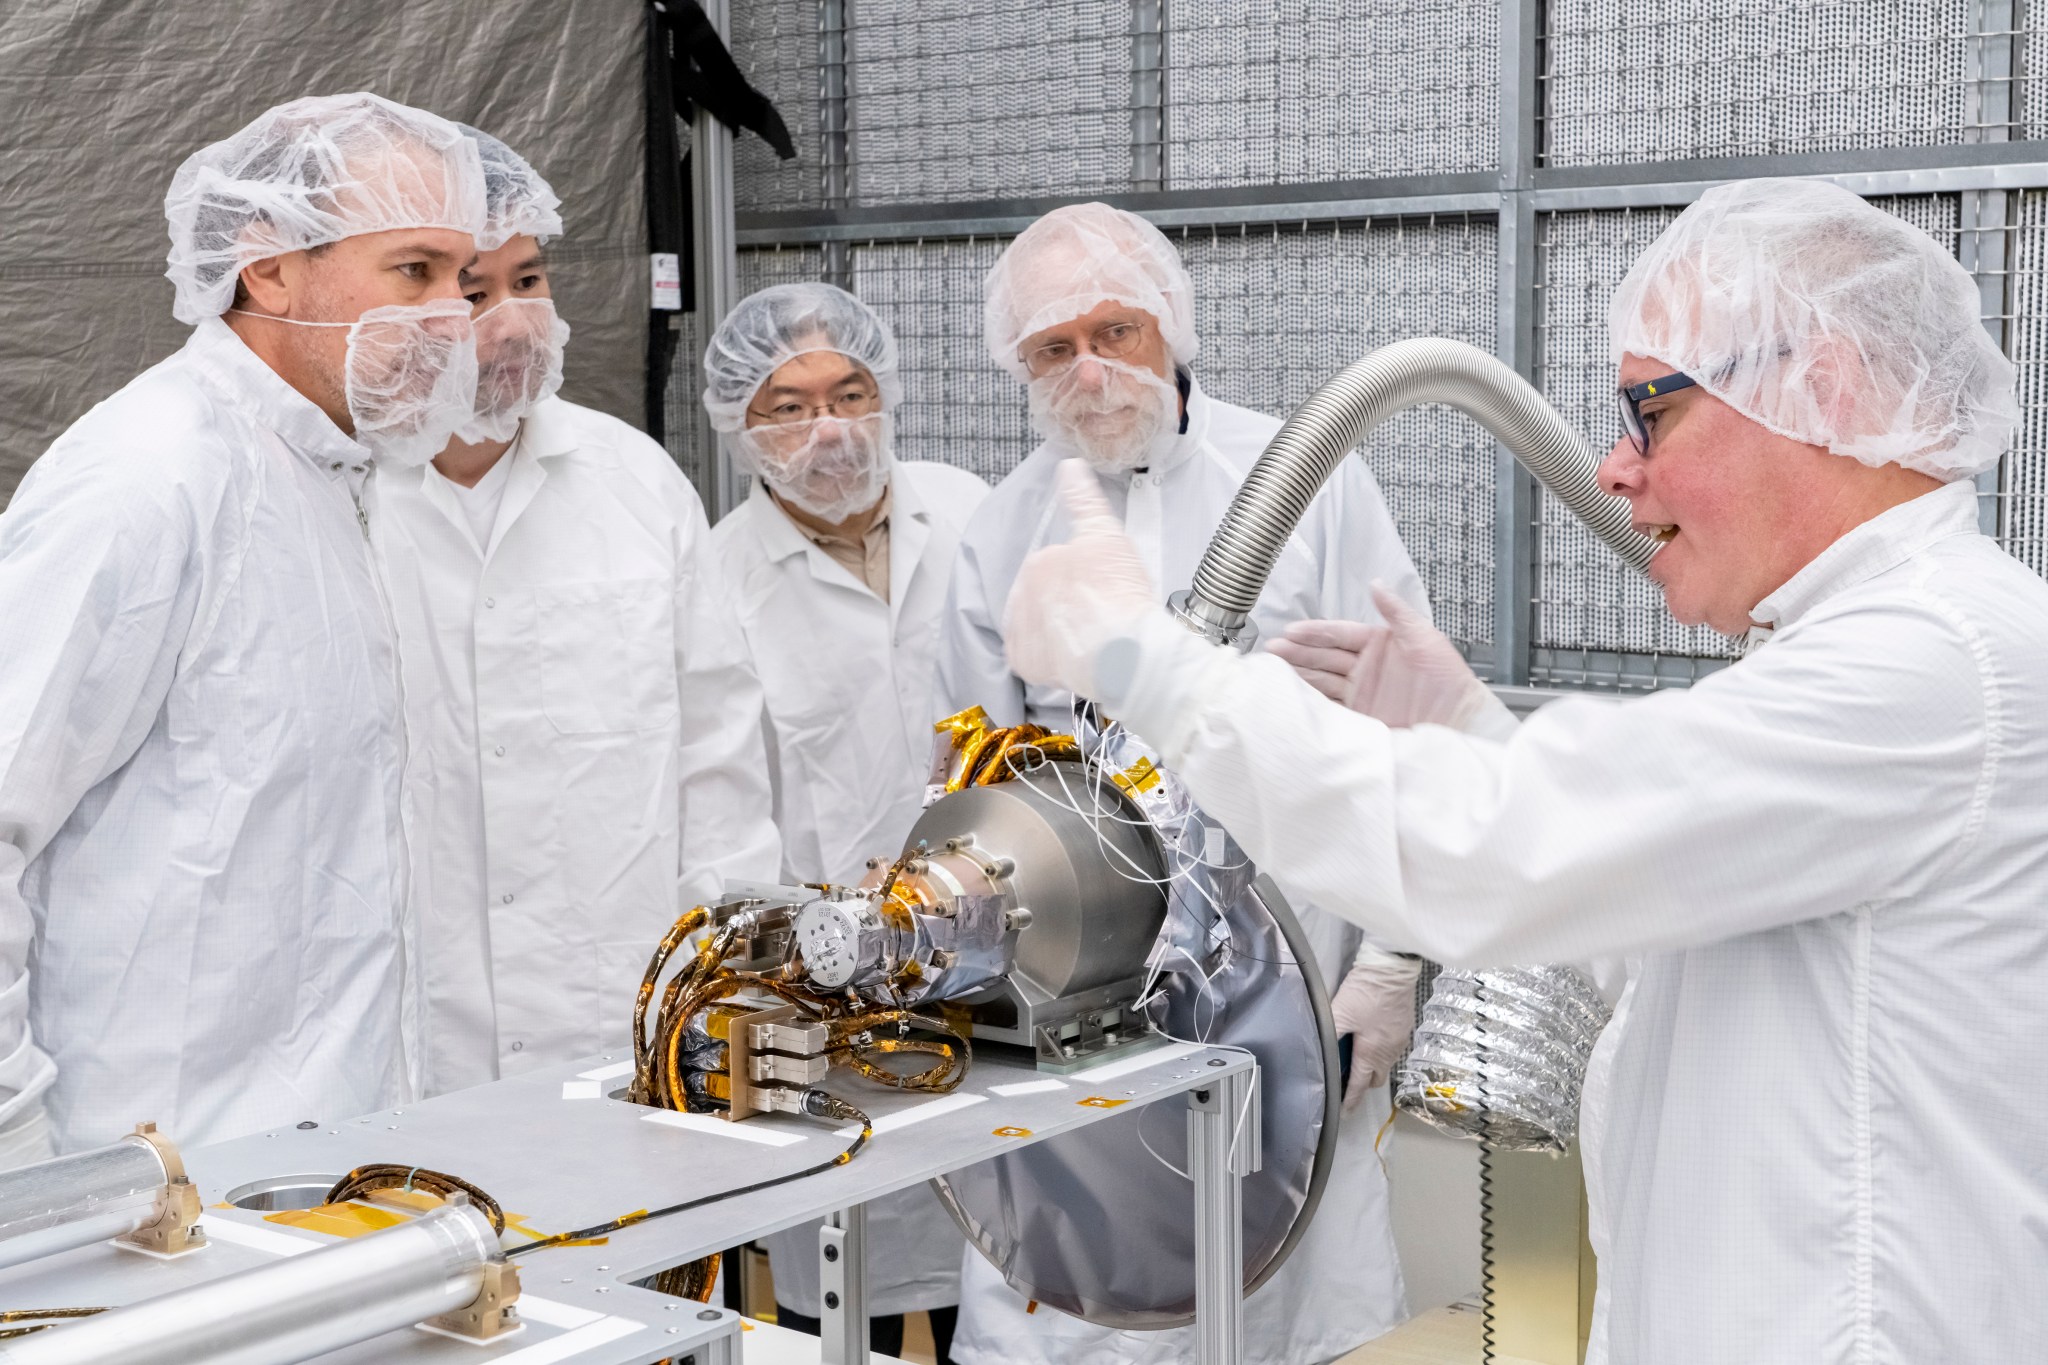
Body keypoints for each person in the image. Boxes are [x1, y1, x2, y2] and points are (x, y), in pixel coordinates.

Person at [1002, 178, 2048, 1363]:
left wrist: (1146, 661)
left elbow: (1501, 854)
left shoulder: (1932, 660)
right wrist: (1468, 735)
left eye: (1649, 412)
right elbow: (1650, 921)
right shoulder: (1867, 650)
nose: (1610, 470)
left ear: (1826, 386)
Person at [940, 202, 1416, 1365]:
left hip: (1295, 977)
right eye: (1053, 347)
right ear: (1018, 367)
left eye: (1117, 331)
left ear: (1173, 332)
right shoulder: (1001, 531)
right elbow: (973, 781)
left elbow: (1405, 736)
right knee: (1077, 1294)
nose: (1090, 369)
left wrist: (1390, 972)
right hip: (1078, 995)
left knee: (1291, 1297)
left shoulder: (1303, 478)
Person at [0, 93, 486, 1162]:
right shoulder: (148, 478)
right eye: (414, 271)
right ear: (268, 266)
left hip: (319, 1163)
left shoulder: (336, 479)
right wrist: (16, 1147)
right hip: (146, 1181)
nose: (457, 317)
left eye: (466, 278)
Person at [370, 128, 781, 1096]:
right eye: (474, 292)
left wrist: (727, 990)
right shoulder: (340, 499)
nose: (513, 324)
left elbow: (717, 759)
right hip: (407, 1046)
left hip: (616, 1023)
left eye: (532, 281)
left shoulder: (632, 480)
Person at [704, 282, 987, 1362]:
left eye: (848, 392)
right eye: (786, 405)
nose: (827, 428)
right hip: (810, 977)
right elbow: (714, 789)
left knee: (990, 1247)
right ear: (741, 424)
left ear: (886, 394)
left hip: (982, 951)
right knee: (829, 1272)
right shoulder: (717, 577)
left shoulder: (969, 512)